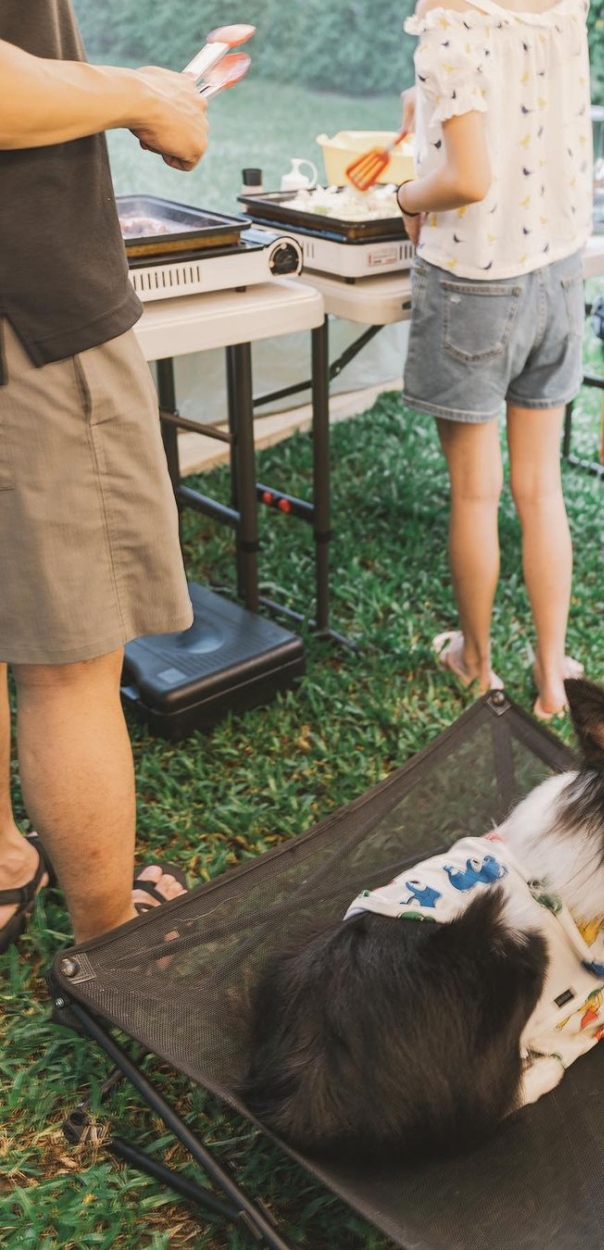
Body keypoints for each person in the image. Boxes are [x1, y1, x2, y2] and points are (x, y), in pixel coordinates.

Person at [0, 0, 209, 956]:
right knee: (70, 665)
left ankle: (6, 859)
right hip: (30, 310)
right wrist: (142, 96)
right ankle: (111, 949)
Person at [397, 0, 592, 719]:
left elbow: (468, 180)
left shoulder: (449, 24)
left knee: (476, 494)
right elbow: (521, 100)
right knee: (542, 491)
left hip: (475, 284)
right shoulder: (564, 9)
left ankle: (477, 665)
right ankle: (552, 674)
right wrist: (425, 104)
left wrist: (405, 196)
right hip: (558, 275)